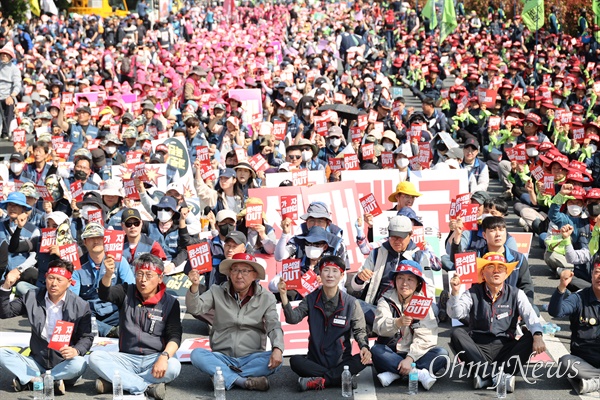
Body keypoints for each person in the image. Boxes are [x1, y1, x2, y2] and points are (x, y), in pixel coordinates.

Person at [88, 254, 182, 400]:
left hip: (155, 357)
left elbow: (175, 336)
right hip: (126, 358)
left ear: (160, 278)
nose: (143, 279)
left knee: (174, 366)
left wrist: (164, 357)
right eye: (139, 274)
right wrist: (108, 274)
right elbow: (104, 294)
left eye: (149, 275)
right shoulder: (126, 291)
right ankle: (145, 387)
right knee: (95, 358)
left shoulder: (170, 302)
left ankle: (118, 382)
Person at [448, 252, 546, 392]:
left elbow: (531, 317)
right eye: (490, 267)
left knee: (532, 336)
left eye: (501, 268)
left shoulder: (516, 293)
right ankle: (496, 376)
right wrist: (455, 292)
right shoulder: (472, 292)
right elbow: (456, 314)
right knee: (457, 333)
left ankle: (485, 377)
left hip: (506, 348)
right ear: (482, 273)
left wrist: (538, 336)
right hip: (478, 349)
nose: (496, 271)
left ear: (506, 274)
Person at [186, 253, 284, 391]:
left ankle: (222, 376)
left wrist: (277, 348)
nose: (239, 276)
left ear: (255, 275)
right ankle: (243, 381)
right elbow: (195, 308)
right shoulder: (216, 291)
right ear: (229, 273)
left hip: (252, 357)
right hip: (222, 356)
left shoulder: (267, 297)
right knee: (197, 355)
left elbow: (273, 325)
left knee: (277, 360)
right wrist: (195, 287)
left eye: (245, 271)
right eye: (235, 270)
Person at [278, 255, 372, 391]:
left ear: (341, 276)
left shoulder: (351, 303)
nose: (330, 275)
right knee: (295, 361)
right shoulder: (310, 299)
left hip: (341, 361)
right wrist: (283, 296)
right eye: (326, 270)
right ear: (320, 274)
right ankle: (340, 379)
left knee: (363, 358)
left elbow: (360, 331)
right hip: (315, 361)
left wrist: (364, 347)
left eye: (335, 271)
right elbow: (293, 319)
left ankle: (321, 380)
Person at [0, 259, 93, 395]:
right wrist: (6, 286)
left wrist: (76, 351)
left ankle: (33, 381)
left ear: (69, 283)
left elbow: (87, 337)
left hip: (64, 363)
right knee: (2, 354)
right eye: (51, 278)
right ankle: (50, 382)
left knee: (79, 364)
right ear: (46, 278)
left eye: (59, 280)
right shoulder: (32, 296)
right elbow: (5, 312)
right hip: (37, 362)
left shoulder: (80, 305)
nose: (54, 283)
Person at [371, 260, 448, 389]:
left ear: (418, 283)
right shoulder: (385, 300)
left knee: (442, 354)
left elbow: (427, 338)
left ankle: (394, 373)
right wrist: (397, 323)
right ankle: (417, 373)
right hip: (392, 352)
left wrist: (410, 358)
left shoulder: (423, 302)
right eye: (400, 278)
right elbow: (379, 328)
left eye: (410, 279)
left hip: (416, 354)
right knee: (376, 350)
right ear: (395, 280)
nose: (404, 283)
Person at [72, 223, 135, 337]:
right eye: (91, 238)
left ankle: (111, 330)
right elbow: (73, 298)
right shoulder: (77, 266)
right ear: (85, 242)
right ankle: (111, 332)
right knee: (78, 318)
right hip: (90, 313)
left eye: (99, 237)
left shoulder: (120, 261)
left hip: (114, 310)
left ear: (106, 240)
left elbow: (131, 289)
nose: (95, 241)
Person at [548, 259, 600, 394]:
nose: (599, 276)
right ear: (591, 275)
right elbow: (555, 311)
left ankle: (595, 381)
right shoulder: (579, 298)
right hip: (583, 360)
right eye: (597, 272)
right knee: (565, 363)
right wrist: (561, 287)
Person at [0, 42, 21, 139]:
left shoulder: (14, 69)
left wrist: (11, 96)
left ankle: (5, 133)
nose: (3, 56)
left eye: (6, 54)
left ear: (10, 57)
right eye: (2, 54)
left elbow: (17, 86)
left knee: (9, 106)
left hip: (7, 97)